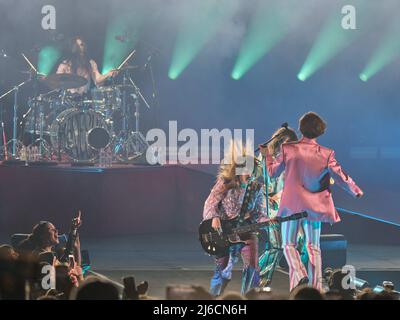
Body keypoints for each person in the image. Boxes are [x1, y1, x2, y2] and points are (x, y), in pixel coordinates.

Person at [260, 112, 363, 292]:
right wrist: (355, 190)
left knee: (288, 245)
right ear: (320, 131)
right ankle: (315, 289)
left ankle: (299, 276)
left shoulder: (288, 149)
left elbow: (271, 173)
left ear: (300, 128)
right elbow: (341, 176)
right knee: (313, 247)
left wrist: (267, 155)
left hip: (292, 206)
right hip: (314, 208)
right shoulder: (326, 153)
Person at [202, 141, 267, 296]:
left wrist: (269, 221)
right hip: (223, 230)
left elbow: (259, 212)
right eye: (246, 171)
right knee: (222, 268)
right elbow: (210, 203)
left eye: (251, 171)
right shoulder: (226, 183)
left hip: (245, 229)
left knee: (252, 264)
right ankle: (214, 297)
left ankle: (250, 296)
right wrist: (214, 218)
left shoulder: (256, 188)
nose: (248, 175)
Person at [258, 126, 298, 287]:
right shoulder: (266, 158)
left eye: (290, 142)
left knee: (299, 244)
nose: (286, 145)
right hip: (271, 208)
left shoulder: (294, 160)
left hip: (289, 208)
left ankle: (300, 281)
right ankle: (261, 277)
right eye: (283, 142)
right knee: (275, 246)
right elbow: (259, 181)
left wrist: (280, 195)